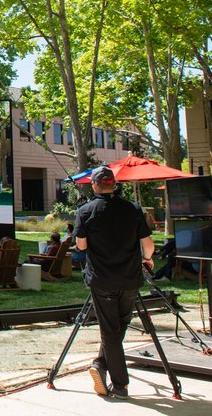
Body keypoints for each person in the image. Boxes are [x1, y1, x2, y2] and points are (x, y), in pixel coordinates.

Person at [74, 166, 154, 400]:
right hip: (130, 279)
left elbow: (81, 246)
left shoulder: (86, 211)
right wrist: (147, 260)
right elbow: (147, 245)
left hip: (102, 279)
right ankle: (100, 365)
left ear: (95, 185)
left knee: (110, 331)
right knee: (119, 326)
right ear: (114, 185)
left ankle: (119, 384)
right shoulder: (132, 209)